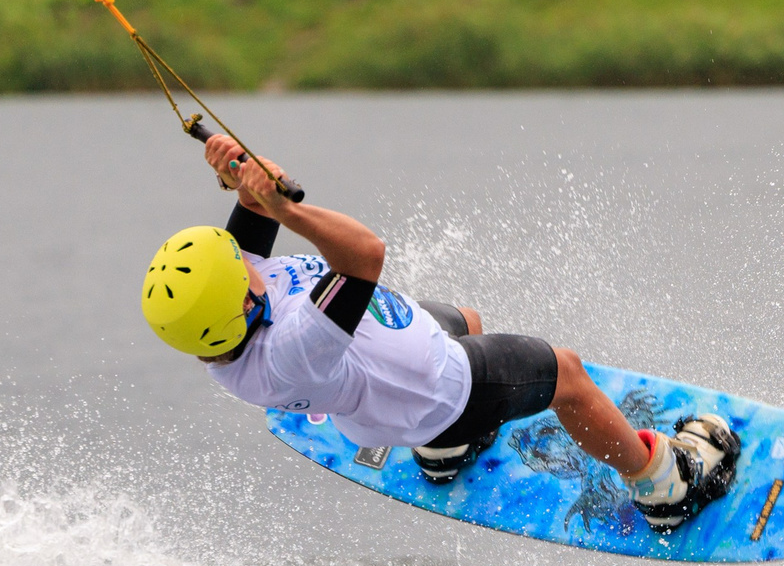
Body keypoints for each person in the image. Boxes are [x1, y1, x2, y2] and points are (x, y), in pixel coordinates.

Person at [140, 134, 739, 533]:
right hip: (436, 388)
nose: (247, 257)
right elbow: (365, 256)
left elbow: (255, 214)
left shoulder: (224, 325)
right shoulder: (289, 352)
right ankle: (662, 485)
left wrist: (239, 170)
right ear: (240, 301)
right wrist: (289, 211)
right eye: (239, 266)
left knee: (468, 320)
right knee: (569, 374)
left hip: (385, 381)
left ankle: (448, 449)